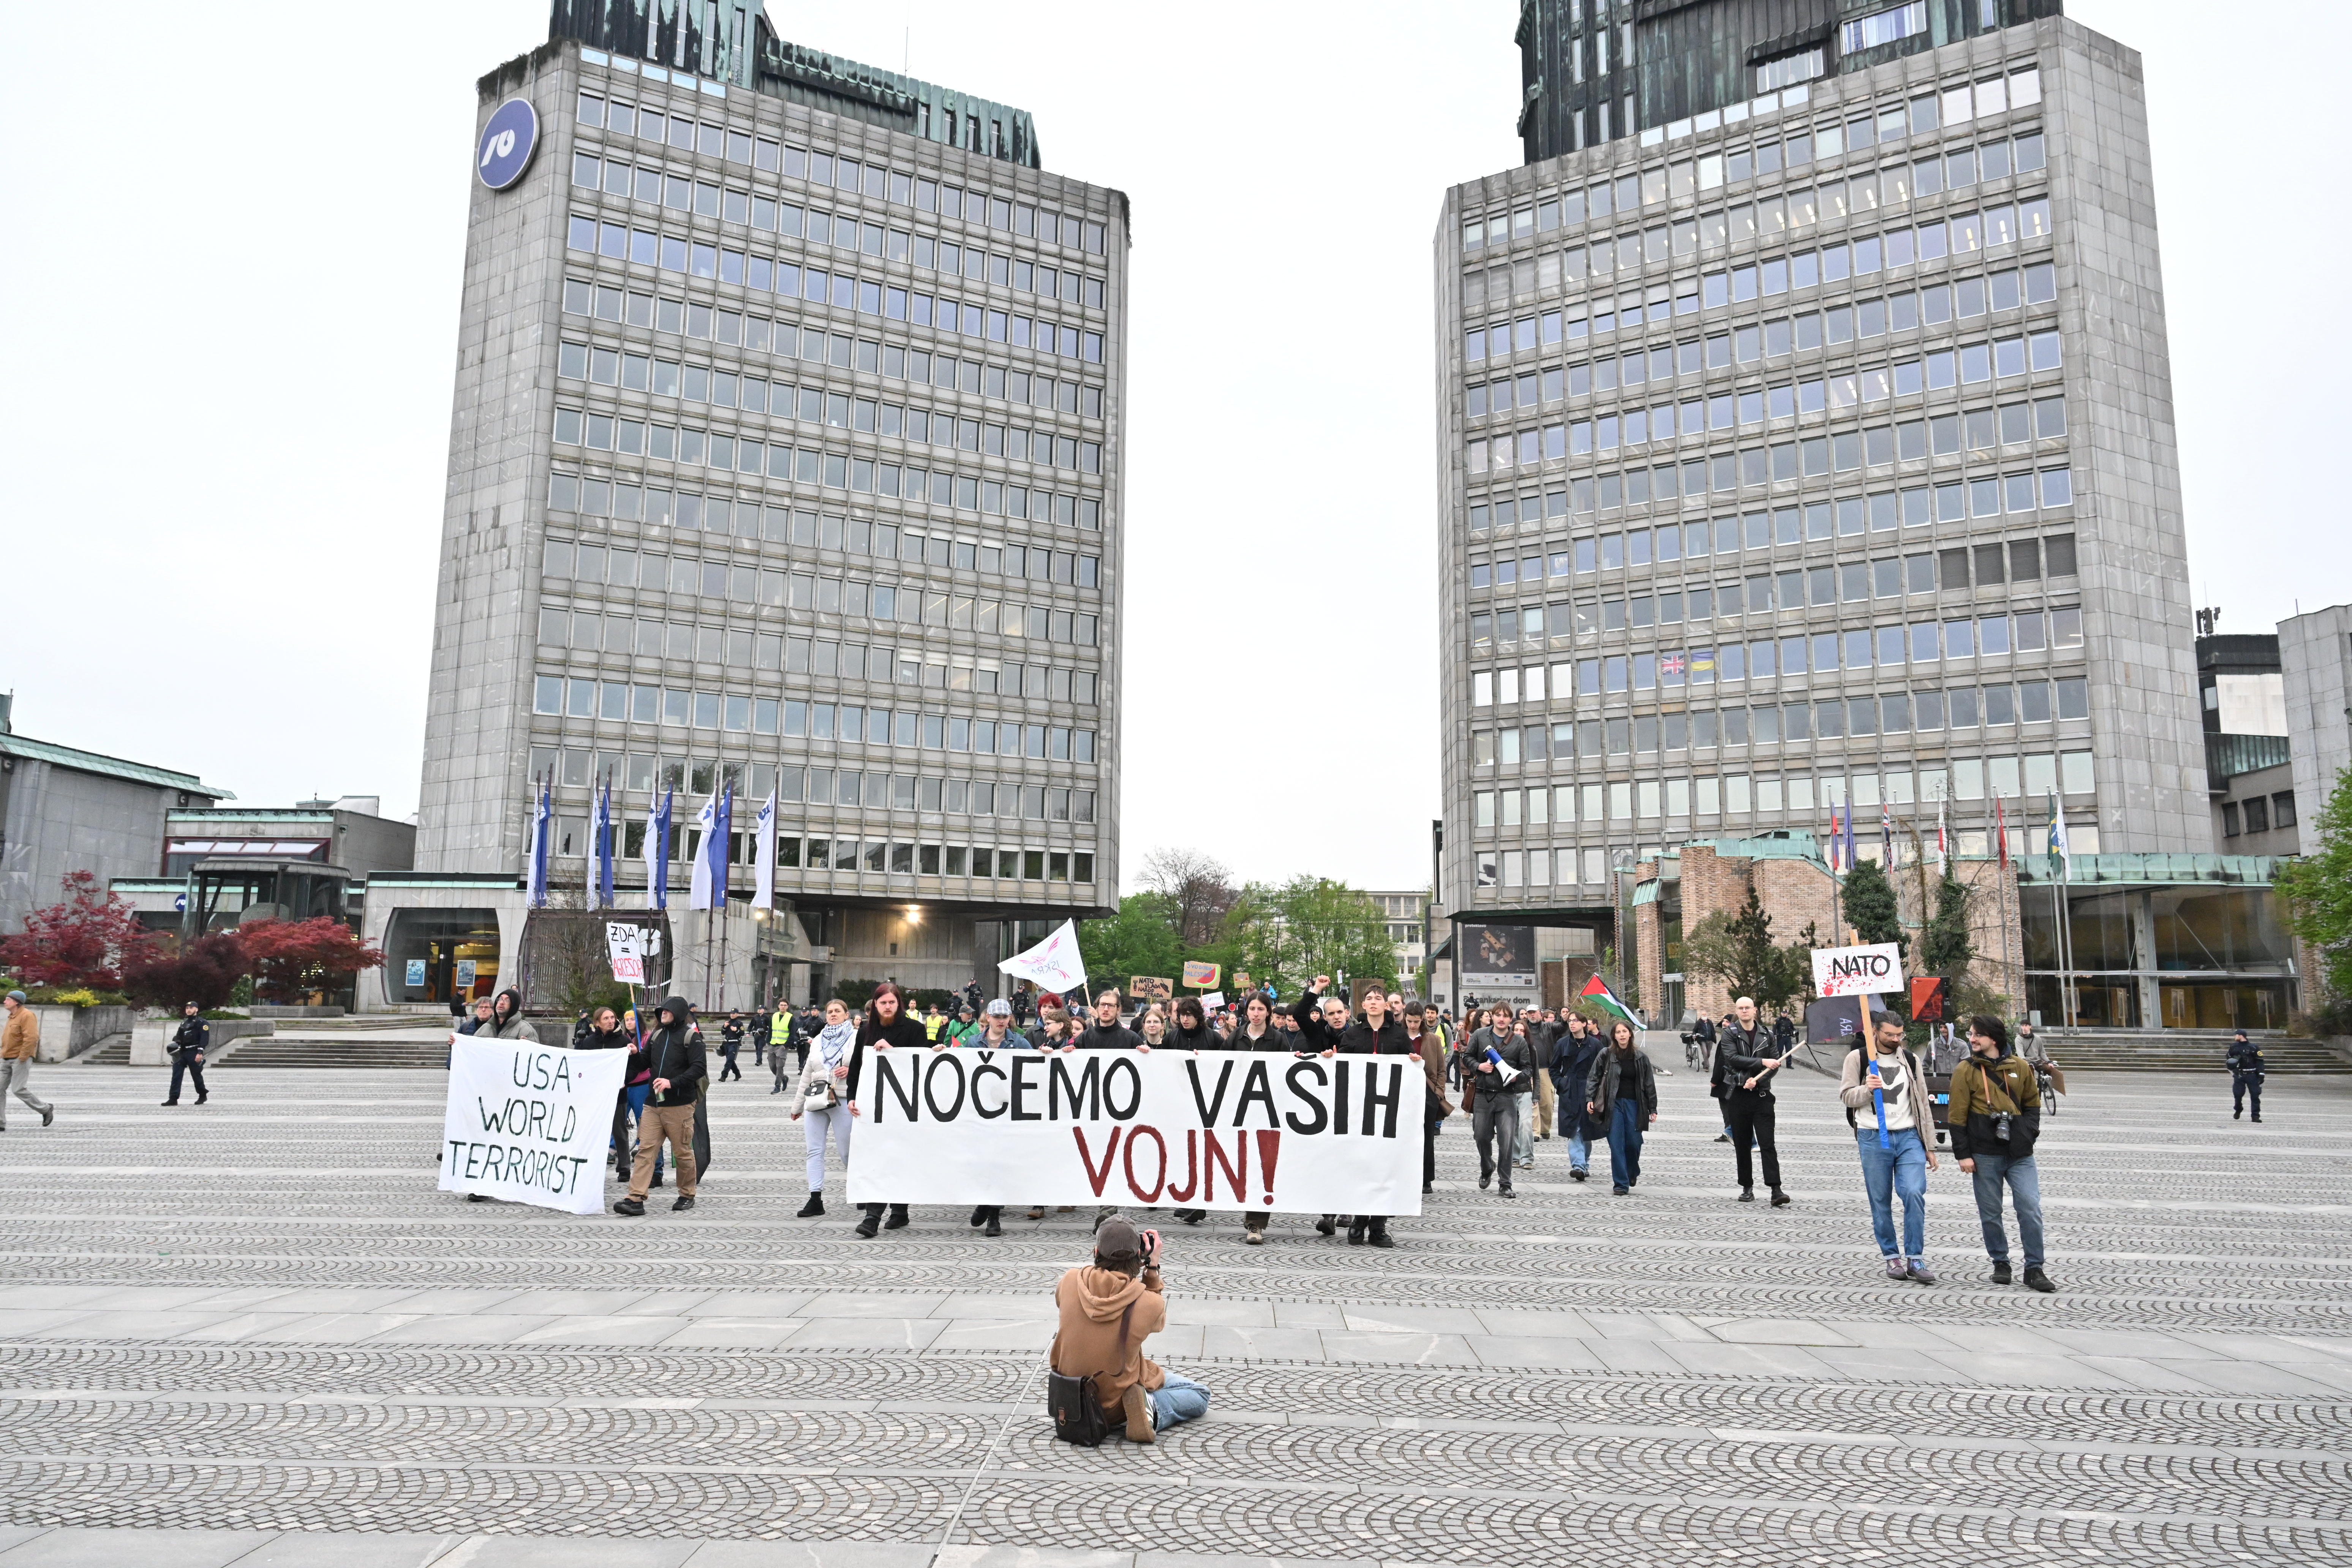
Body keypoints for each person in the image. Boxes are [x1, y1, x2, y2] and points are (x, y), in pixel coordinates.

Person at [1050, 1218, 1208, 1444]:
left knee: (1144, 1366)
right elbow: (1157, 1322)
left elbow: (1062, 1304)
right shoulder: (1148, 1303)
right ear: (1139, 1255)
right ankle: (1151, 1407)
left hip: (1070, 1398)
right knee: (1200, 1394)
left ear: (1096, 1251)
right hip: (1113, 1407)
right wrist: (1152, 1268)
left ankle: (1142, 1402)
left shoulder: (1069, 1280)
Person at [1295, 976, 1411, 1247]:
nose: (1374, 1002)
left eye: (1378, 998)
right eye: (1369, 999)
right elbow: (1342, 1066)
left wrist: (1413, 1062)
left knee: (1384, 1169)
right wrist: (1329, 1059)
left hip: (1388, 1113)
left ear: (1386, 1005)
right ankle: (1358, 1221)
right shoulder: (1353, 1035)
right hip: (1357, 1112)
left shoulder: (1399, 1035)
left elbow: (1409, 1067)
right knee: (1361, 1166)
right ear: (1362, 1005)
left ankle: (1378, 1226)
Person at [1948, 1014, 2055, 1291]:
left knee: (2030, 1208)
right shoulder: (1965, 1070)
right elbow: (1957, 1116)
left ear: (1993, 1039)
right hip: (1984, 1154)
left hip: (2020, 1154)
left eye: (1977, 1035)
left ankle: (2034, 1268)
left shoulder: (2019, 1066)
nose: (1972, 1039)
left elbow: (2033, 1104)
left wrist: (2029, 1133)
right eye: (1971, 1034)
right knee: (1991, 1213)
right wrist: (1963, 1154)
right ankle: (2001, 1262)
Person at [1843, 1011, 1940, 1284]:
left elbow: (1922, 1101)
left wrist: (1929, 1145)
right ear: (1875, 1031)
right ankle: (1892, 1257)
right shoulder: (1858, 1058)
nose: (1896, 1039)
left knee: (1914, 1192)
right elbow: (1846, 1096)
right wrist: (1866, 1089)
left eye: (1900, 1035)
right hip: (1874, 1137)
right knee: (1880, 1199)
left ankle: (1915, 1257)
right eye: (1890, 1035)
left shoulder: (1910, 1059)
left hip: (1909, 1136)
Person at [844, 982, 932, 1238]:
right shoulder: (865, 1032)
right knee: (879, 1159)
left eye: (892, 1002)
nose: (887, 1007)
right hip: (875, 1108)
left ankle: (899, 1210)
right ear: (875, 1004)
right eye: (883, 1003)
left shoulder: (915, 1029)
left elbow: (922, 1067)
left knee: (901, 1158)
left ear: (899, 1004)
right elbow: (856, 1068)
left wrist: (894, 1054)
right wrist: (852, 1097)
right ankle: (873, 1217)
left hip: (905, 1108)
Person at [612, 996, 705, 1217]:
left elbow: (699, 1068)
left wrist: (672, 1083)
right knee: (645, 1151)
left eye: (667, 1010)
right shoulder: (657, 1036)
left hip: (680, 1106)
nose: (662, 1013)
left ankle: (687, 1194)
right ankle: (635, 1199)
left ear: (679, 1013)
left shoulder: (691, 1038)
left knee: (682, 1152)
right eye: (661, 1011)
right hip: (653, 1104)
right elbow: (644, 1063)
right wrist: (635, 1054)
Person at [944, 998, 1026, 1236]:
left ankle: (994, 1218)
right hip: (979, 1112)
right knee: (982, 1162)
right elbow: (958, 1066)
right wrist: (941, 1053)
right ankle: (983, 1204)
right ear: (988, 1018)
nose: (1001, 1021)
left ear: (1010, 1019)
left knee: (999, 1164)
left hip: (1007, 1112)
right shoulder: (973, 1042)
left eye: (1005, 1017)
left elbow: (1036, 1067)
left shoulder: (1019, 1042)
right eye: (997, 1017)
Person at [1712, 996, 1792, 1206]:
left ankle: (1776, 1189)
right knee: (1742, 1144)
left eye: (1748, 1008)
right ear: (1737, 1011)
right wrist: (1758, 1065)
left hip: (1762, 1096)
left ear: (1754, 1010)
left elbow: (1774, 1064)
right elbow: (1732, 1060)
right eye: (1740, 1008)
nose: (1744, 1011)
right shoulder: (1730, 1033)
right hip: (1738, 1096)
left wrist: (1758, 1081)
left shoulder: (1768, 1034)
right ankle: (1747, 1187)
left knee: (1767, 1143)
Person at [788, 999, 858, 1219]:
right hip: (816, 1100)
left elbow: (867, 1065)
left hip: (842, 1098)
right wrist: (798, 1106)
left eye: (838, 1011)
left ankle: (861, 1189)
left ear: (847, 1015)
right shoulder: (819, 1040)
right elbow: (808, 1073)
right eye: (830, 1012)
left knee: (847, 1151)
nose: (833, 1014)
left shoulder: (856, 1037)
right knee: (814, 1151)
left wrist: (851, 1070)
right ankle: (815, 1199)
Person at [1165, 997, 1222, 1226]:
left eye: (1189, 1015)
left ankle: (1198, 1201)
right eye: (1181, 1015)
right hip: (1179, 1103)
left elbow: (1226, 1065)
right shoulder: (1171, 1038)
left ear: (1198, 1016)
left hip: (1206, 1104)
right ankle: (1187, 1199)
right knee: (1182, 1151)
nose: (1185, 1019)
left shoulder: (1213, 1038)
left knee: (1201, 1150)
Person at [1585, 1019, 1657, 1195]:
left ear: (1630, 1034)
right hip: (1613, 1105)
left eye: (1625, 1031)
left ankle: (1632, 1171)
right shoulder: (1606, 1054)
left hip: (1635, 1105)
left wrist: (1653, 1108)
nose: (1622, 1035)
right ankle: (1621, 1183)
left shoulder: (1641, 1058)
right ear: (1614, 1036)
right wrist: (1590, 1098)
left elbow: (1649, 1084)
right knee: (1616, 1144)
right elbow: (1594, 1077)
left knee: (1634, 1143)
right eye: (1618, 1032)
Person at [1470, 1007, 1534, 1200]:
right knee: (1481, 1137)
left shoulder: (1519, 1041)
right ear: (1492, 1017)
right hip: (1482, 1094)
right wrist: (1479, 1066)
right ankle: (1487, 1166)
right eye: (1498, 1015)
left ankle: (1505, 1183)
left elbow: (1528, 1069)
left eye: (1506, 1016)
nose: (1501, 1019)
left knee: (1506, 1142)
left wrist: (1517, 1078)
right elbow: (1467, 1057)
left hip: (1507, 1096)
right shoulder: (1480, 1035)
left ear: (1510, 1019)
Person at [1405, 1000, 1452, 1199]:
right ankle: (1406, 1175)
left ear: (1422, 1019)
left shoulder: (1432, 1040)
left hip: (1428, 1093)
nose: (1413, 1025)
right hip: (1403, 1094)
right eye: (1409, 1021)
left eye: (1416, 1021)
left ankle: (1426, 1178)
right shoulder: (1399, 1037)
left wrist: (1438, 1092)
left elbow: (1442, 1069)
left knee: (1427, 1137)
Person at [1556, 1013, 1605, 1182]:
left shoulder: (1595, 1045)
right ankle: (1578, 1166)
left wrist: (1598, 1090)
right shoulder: (1562, 1044)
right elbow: (1554, 1068)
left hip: (1589, 1091)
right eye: (1570, 1021)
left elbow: (1603, 1070)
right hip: (1569, 1091)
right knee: (1574, 1129)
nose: (1572, 1024)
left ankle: (1584, 1162)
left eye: (1575, 1021)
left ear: (1584, 1024)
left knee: (1587, 1130)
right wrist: (1561, 1084)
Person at [0, 992, 54, 1134]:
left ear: (17, 1002)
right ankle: (0, 1122)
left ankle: (45, 1109)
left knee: (18, 1089)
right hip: (6, 1058)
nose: (5, 1002)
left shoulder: (27, 1015)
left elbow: (32, 1038)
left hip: (19, 1058)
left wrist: (23, 1057)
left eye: (8, 999)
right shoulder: (12, 1016)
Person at [163, 1001, 211, 1107]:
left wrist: (200, 1052)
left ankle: (202, 1095)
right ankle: (173, 1098)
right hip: (182, 1053)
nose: (189, 1010)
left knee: (196, 1075)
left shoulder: (202, 1023)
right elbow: (178, 1037)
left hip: (194, 1052)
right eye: (187, 1008)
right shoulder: (184, 1023)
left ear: (196, 1009)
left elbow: (204, 1038)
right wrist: (175, 1046)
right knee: (176, 1075)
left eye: (191, 1008)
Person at [475, 988, 540, 1044]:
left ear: (514, 1005)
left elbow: (535, 1053)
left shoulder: (526, 1030)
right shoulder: (485, 1028)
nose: (502, 1003)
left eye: (507, 1000)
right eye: (500, 999)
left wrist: (527, 1046)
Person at [2228, 1028, 2264, 1122]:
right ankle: (2238, 1109)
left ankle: (2255, 1116)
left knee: (2255, 1096)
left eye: (2236, 1035)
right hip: (2239, 1074)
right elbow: (2229, 1059)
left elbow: (2260, 1061)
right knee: (2238, 1094)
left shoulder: (2253, 1047)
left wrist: (2261, 1074)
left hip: (2252, 1075)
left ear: (2241, 1036)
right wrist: (2233, 1068)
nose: (2235, 1037)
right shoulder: (2234, 1047)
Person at [717, 1012, 745, 1081]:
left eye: (734, 1014)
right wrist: (725, 1027)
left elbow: (742, 1033)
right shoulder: (728, 1022)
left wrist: (736, 1030)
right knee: (731, 1061)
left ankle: (724, 1076)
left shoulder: (739, 1023)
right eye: (731, 1013)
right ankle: (737, 1074)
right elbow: (723, 1033)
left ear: (737, 1014)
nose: (732, 1015)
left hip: (734, 1044)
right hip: (726, 1044)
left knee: (729, 1060)